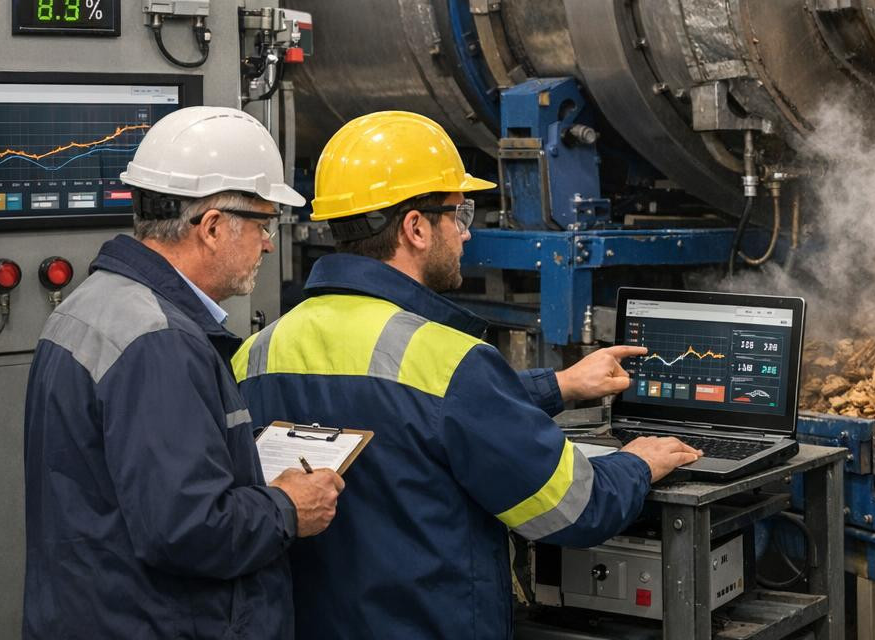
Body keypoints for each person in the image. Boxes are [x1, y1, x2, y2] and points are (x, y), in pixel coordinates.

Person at [233, 110, 700, 638]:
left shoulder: (255, 354)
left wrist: (560, 385)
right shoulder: (449, 361)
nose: (465, 234)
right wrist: (636, 464)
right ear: (415, 228)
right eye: (458, 215)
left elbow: (404, 407)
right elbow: (574, 508)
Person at [23, 106, 344, 639]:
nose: (269, 242)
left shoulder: (94, 304)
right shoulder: (160, 342)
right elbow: (187, 529)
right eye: (263, 224)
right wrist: (288, 507)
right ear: (213, 227)